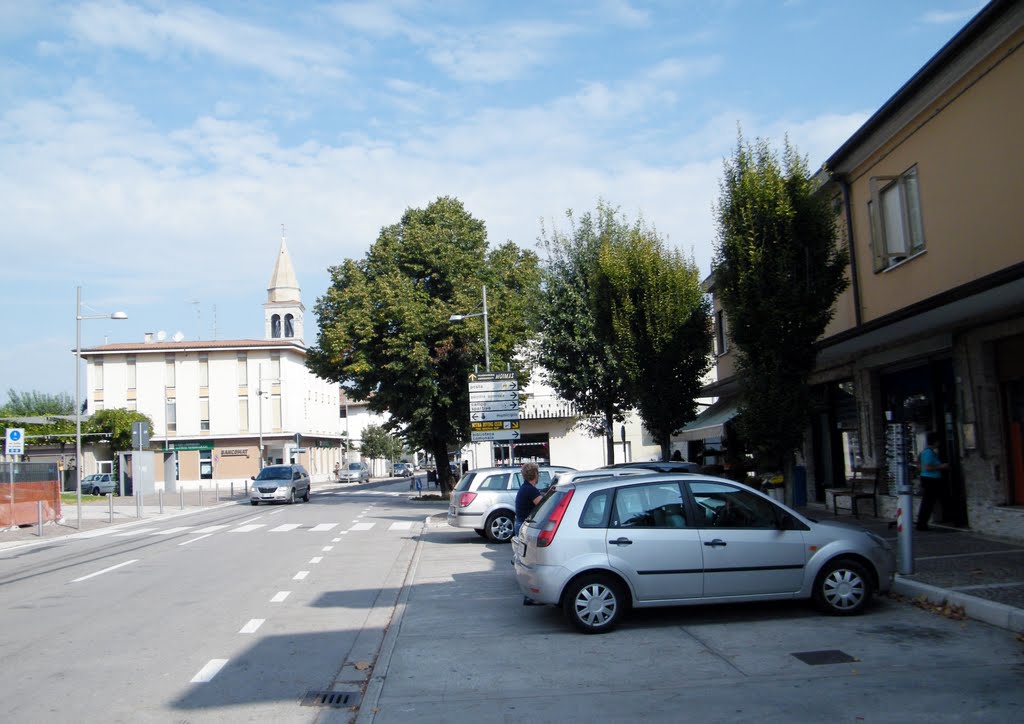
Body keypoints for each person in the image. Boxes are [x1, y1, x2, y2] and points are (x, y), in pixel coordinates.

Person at [916, 432, 949, 532]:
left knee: (928, 502)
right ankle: (922, 524)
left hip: (929, 479)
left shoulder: (927, 452)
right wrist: (942, 466)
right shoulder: (929, 452)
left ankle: (923, 523)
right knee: (927, 503)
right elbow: (927, 467)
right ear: (935, 442)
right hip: (930, 480)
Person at [514, 462, 543, 538]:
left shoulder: (525, 487)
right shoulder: (530, 490)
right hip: (525, 526)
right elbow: (543, 505)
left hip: (520, 523)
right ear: (535, 474)